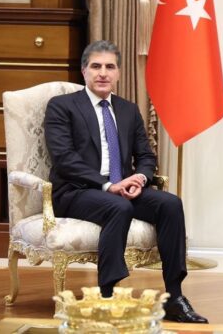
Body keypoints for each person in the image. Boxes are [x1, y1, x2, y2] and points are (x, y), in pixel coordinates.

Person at [44, 40, 207, 324]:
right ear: (84, 71)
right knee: (118, 207)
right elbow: (64, 159)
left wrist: (139, 179)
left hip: (122, 188)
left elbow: (146, 155)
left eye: (110, 67)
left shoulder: (128, 110)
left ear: (118, 73)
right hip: (77, 191)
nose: (102, 73)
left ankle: (174, 297)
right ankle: (107, 298)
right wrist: (108, 185)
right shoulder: (62, 106)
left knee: (170, 204)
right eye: (96, 66)